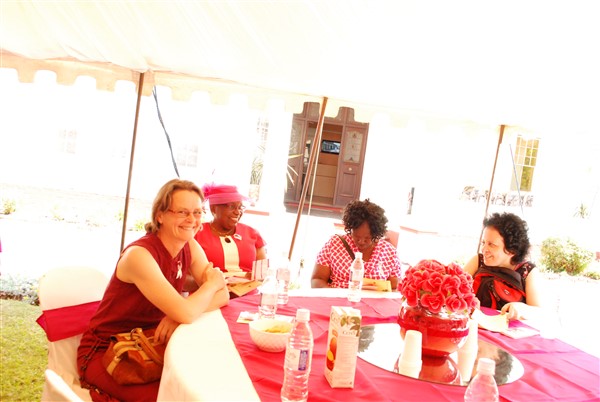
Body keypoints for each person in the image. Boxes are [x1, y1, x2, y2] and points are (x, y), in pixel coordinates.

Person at [77, 179, 229, 402]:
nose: (192, 220)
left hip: (151, 344)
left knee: (202, 385)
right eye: (182, 212)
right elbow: (199, 302)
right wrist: (209, 285)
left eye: (197, 212)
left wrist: (178, 316)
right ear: (160, 216)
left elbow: (222, 295)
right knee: (170, 398)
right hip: (109, 352)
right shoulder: (140, 256)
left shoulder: (190, 245)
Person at [464, 212, 543, 321]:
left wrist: (522, 308)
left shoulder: (527, 271)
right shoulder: (478, 261)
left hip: (509, 330)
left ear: (511, 250)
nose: (484, 249)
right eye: (483, 243)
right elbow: (454, 289)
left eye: (491, 245)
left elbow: (540, 312)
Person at [311, 199, 402, 290]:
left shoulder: (389, 252)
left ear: (376, 234)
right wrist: (334, 295)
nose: (361, 241)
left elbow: (395, 288)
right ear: (350, 229)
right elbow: (317, 279)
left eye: (367, 238)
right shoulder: (334, 244)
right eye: (357, 237)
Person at [194, 183, 267, 274]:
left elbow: (262, 273)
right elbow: (184, 275)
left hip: (250, 283)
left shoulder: (252, 233)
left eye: (240, 207)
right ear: (213, 208)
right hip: (212, 283)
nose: (237, 212)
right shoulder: (196, 233)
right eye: (232, 206)